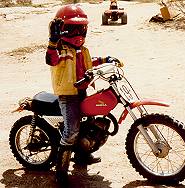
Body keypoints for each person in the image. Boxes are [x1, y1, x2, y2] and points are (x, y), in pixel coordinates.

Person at [45, 4, 122, 184]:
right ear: (61, 30)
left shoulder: (82, 50)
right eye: (72, 29)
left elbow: (90, 62)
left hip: (82, 90)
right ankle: (61, 172)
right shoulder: (60, 49)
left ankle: (81, 156)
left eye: (81, 29)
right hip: (68, 94)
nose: (78, 33)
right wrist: (52, 41)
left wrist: (106, 60)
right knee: (71, 130)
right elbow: (51, 59)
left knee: (87, 124)